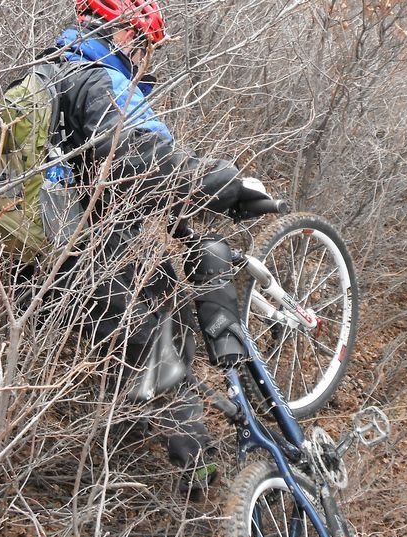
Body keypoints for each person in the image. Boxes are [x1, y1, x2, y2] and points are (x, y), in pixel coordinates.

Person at [37, 0, 270, 495]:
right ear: (124, 33)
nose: (146, 58)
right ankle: (200, 475)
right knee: (160, 337)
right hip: (87, 252)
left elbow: (104, 175)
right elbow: (138, 155)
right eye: (145, 46)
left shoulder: (51, 70)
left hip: (38, 254)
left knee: (131, 336)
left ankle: (117, 450)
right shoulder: (98, 77)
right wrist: (222, 181)